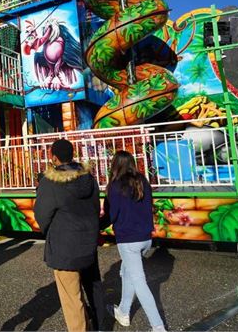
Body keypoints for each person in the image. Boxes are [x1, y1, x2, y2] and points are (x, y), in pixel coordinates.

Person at [34, 139, 100, 332]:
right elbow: (96, 207)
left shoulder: (50, 181)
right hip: (88, 242)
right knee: (88, 290)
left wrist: (50, 231)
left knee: (72, 300)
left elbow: (42, 214)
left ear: (53, 158)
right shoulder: (88, 177)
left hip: (64, 246)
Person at [102, 151, 167, 332]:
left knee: (140, 282)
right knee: (127, 272)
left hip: (128, 240)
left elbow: (111, 214)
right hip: (146, 238)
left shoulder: (115, 186)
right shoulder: (142, 181)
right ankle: (123, 311)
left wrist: (98, 226)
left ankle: (158, 326)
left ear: (115, 165)